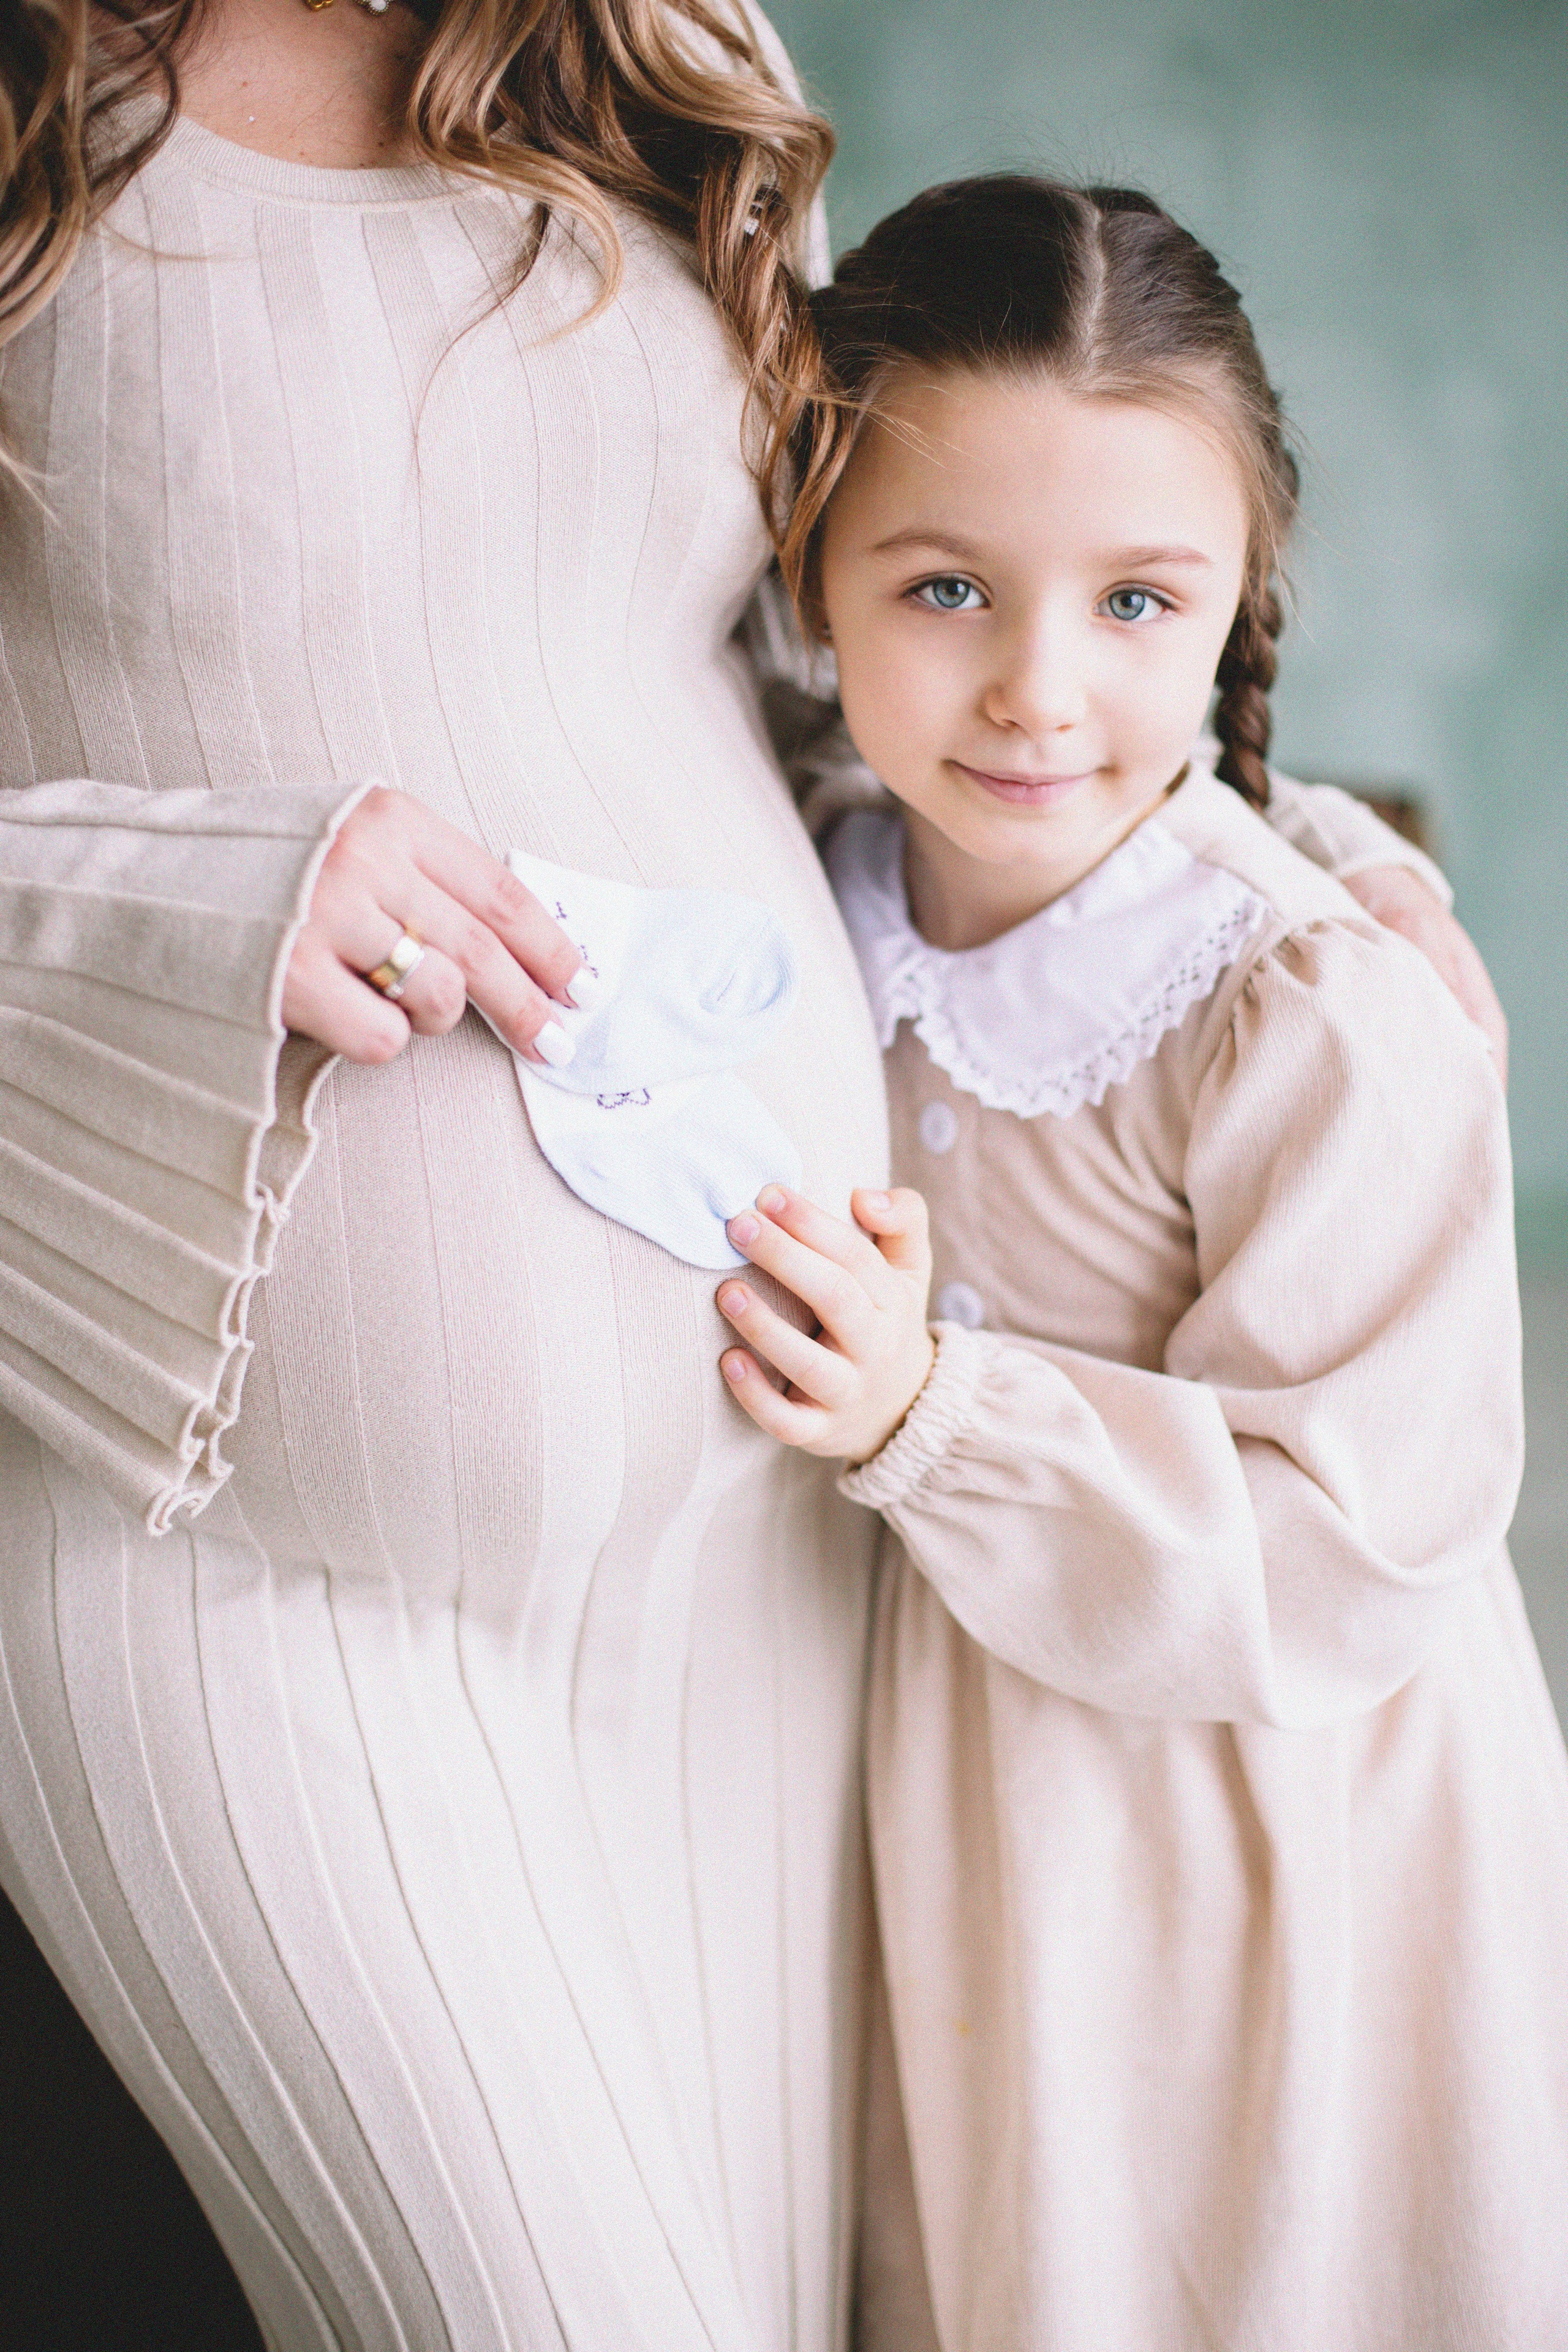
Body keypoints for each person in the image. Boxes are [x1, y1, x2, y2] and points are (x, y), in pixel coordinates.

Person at [0, 4, 1507, 2337]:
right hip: (225, 1532)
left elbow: (868, 598)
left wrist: (1257, 856)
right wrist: (144, 898)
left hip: (783, 1576)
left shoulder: (650, 45)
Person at [717, 175, 1568, 2350]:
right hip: (978, 1800)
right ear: (810, 563)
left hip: (1266, 1835)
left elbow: (1358, 1542)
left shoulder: (1309, 1015)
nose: (1031, 690)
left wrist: (935, 1417)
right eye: (944, 586)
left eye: (1135, 602)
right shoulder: (812, 849)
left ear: (1238, 599)